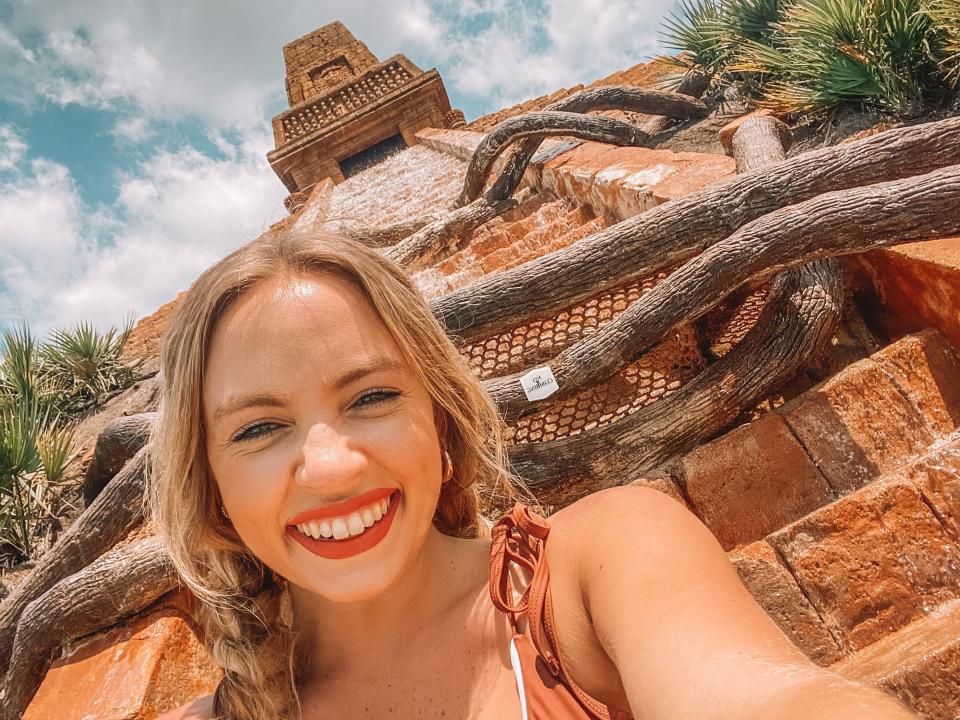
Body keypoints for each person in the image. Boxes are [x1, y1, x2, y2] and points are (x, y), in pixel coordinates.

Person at [153, 228, 917, 720]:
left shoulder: (596, 566)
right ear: (212, 491)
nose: (330, 466)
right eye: (258, 428)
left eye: (373, 396)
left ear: (441, 425)